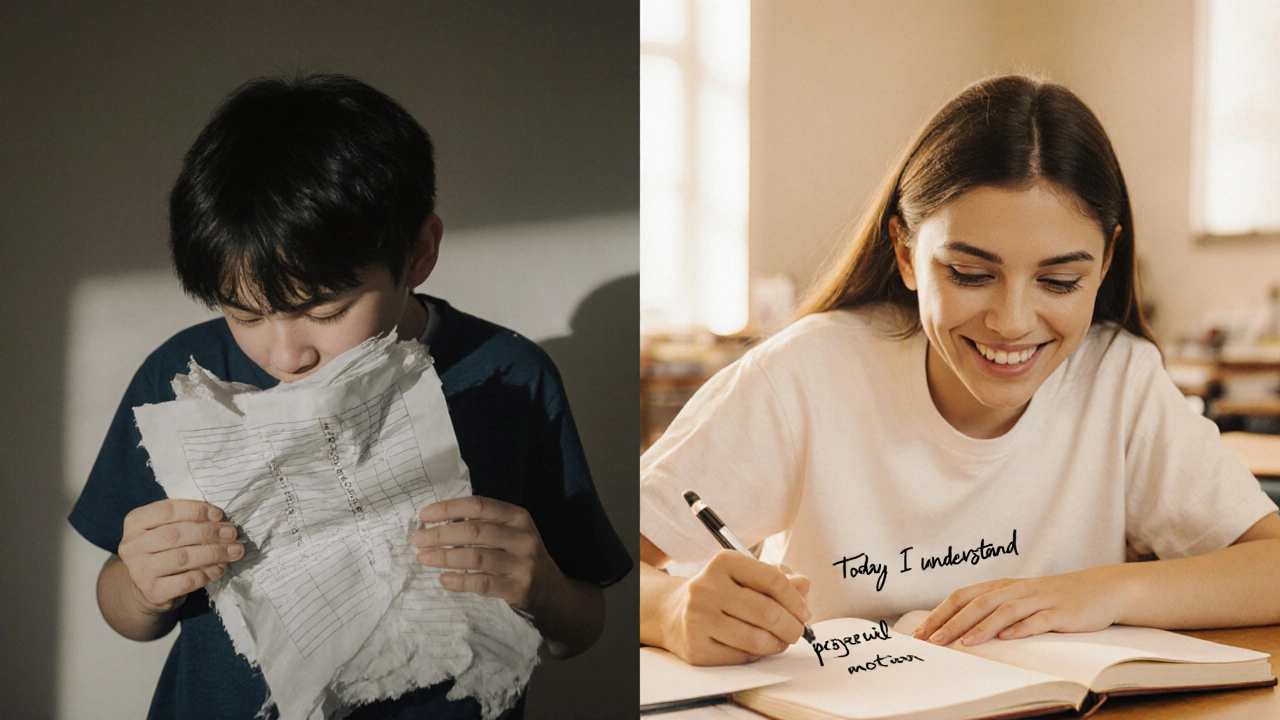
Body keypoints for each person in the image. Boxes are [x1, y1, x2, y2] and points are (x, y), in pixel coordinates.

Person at [638, 75, 1280, 666]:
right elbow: (594, 562)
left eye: (1060, 281)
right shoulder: (807, 373)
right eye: (971, 274)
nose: (1012, 321)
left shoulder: (1118, 380)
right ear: (907, 252)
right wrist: (670, 610)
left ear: (1107, 262)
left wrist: (1105, 590)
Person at [69, 73, 632, 719]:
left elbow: (580, 627)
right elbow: (126, 613)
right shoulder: (180, 376)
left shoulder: (509, 377)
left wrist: (546, 590)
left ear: (419, 253)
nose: (287, 355)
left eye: (325, 309)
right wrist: (141, 588)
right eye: (245, 315)